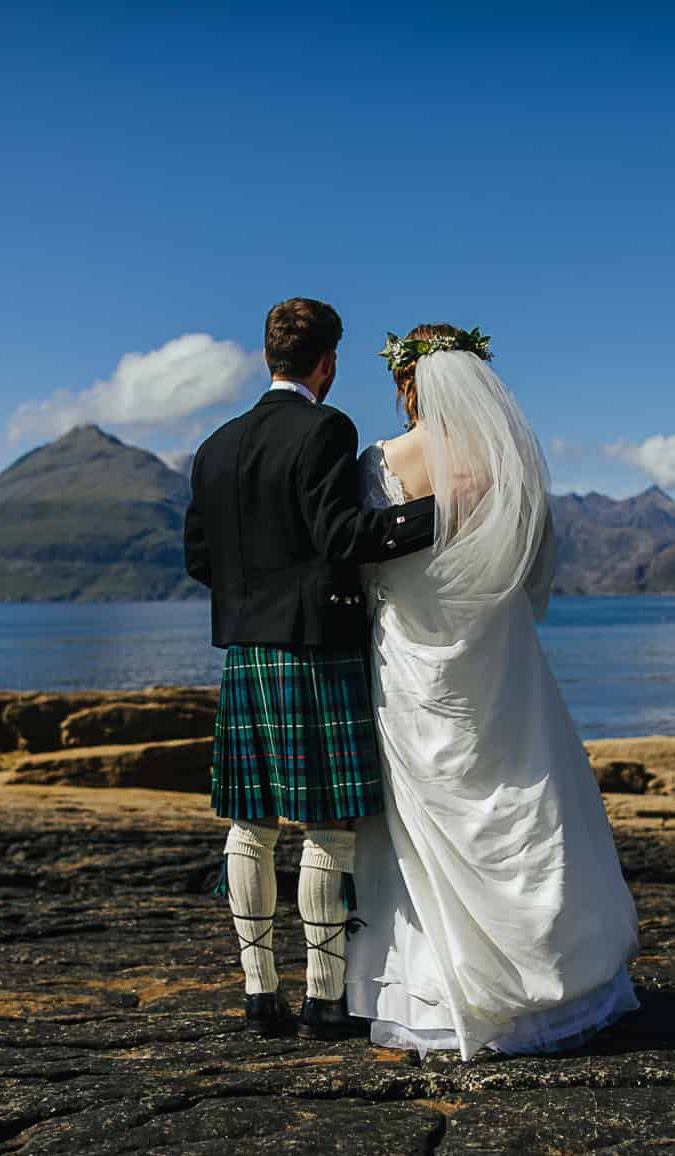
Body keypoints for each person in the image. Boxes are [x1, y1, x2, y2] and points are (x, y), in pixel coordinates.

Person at [348, 324, 642, 1059]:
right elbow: (527, 558)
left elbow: (362, 556)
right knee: (526, 794)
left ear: (405, 384)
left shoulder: (379, 462)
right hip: (500, 660)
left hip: (415, 663)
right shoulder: (505, 463)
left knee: (423, 826)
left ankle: (432, 997)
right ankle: (559, 982)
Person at [182, 297, 440, 1040]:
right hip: (315, 650)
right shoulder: (327, 427)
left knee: (251, 823)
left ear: (268, 356)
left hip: (246, 652)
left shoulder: (215, 445)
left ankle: (260, 993)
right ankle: (326, 999)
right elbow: (342, 534)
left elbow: (201, 558)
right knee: (327, 825)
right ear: (325, 362)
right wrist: (441, 512)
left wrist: (252, 596)